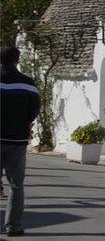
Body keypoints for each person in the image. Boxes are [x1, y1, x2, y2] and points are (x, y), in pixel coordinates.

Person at [1, 46, 41, 237]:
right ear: (17, 60)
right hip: (17, 140)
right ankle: (14, 226)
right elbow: (34, 110)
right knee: (16, 185)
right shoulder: (28, 84)